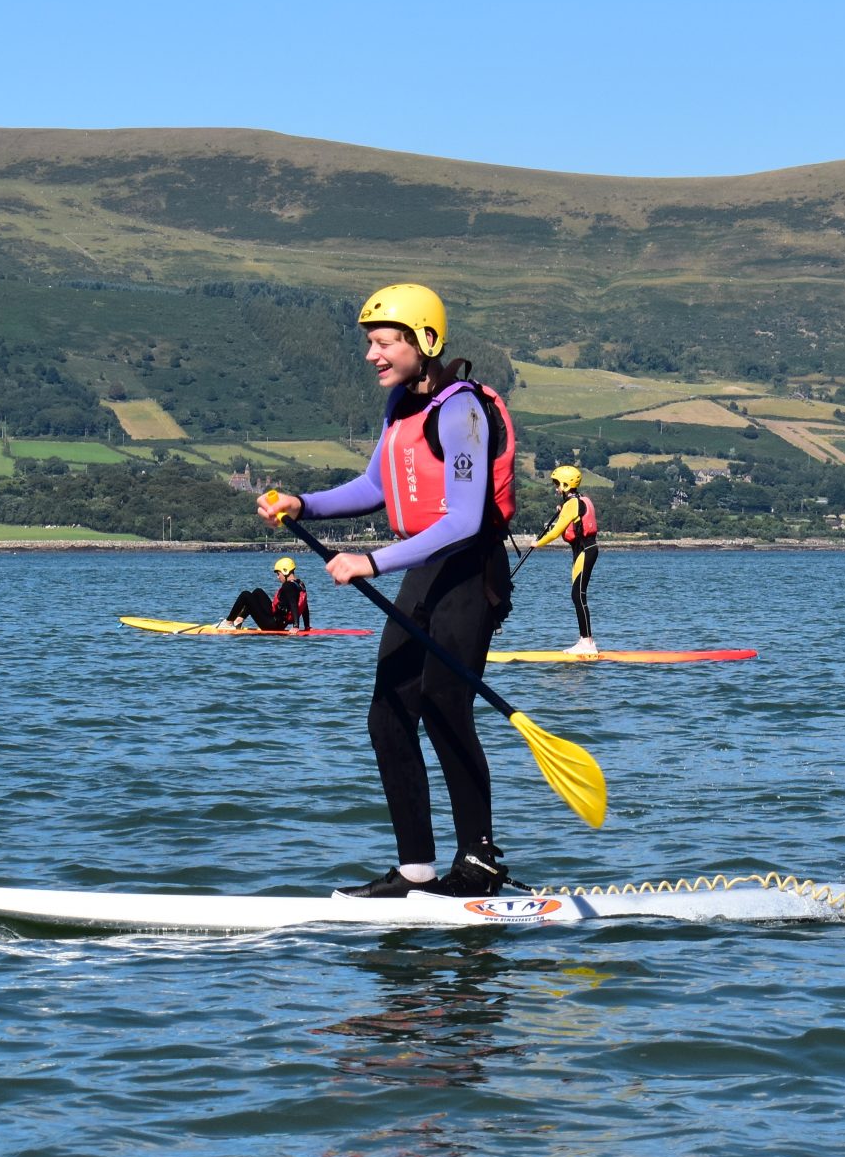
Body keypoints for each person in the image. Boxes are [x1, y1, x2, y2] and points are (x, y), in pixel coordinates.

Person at [257, 283, 517, 899]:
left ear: (422, 341)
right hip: (425, 569)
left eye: (383, 343)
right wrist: (306, 504)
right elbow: (375, 485)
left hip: (469, 571)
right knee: (388, 715)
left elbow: (463, 519)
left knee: (442, 705)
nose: (372, 355)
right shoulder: (402, 406)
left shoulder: (462, 411)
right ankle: (416, 870)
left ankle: (479, 861)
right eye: (370, 344)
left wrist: (370, 561)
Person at [531, 463, 602, 655]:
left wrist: (538, 543)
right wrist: (563, 508)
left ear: (566, 484)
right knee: (578, 595)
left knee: (578, 595)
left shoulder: (572, 504)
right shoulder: (581, 500)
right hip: (584, 550)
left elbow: (555, 532)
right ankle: (585, 640)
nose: (556, 488)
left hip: (585, 550)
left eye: (557, 484)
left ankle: (587, 643)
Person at [223, 557, 311, 631]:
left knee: (245, 595)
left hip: (272, 625)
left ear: (285, 571)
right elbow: (304, 606)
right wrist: (307, 626)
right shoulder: (299, 584)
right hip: (277, 621)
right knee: (258, 592)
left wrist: (296, 627)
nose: (278, 577)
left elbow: (293, 604)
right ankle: (239, 620)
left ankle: (228, 622)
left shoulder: (288, 586)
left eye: (278, 574)